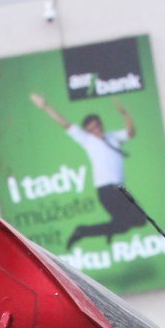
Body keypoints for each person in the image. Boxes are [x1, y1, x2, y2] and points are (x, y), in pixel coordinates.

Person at [30, 92, 148, 249]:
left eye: (97, 126)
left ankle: (90, 231)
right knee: (127, 222)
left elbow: (130, 133)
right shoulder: (88, 140)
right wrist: (45, 106)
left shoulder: (112, 136)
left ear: (101, 124)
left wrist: (125, 113)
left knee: (138, 221)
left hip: (121, 189)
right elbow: (65, 123)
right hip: (107, 190)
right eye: (91, 129)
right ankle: (85, 231)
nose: (96, 130)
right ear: (88, 131)